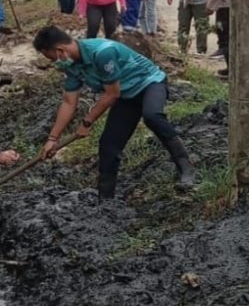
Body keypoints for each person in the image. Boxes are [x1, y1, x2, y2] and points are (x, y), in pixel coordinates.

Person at [29, 26, 197, 197]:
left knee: (152, 116)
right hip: (126, 96)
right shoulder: (71, 65)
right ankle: (105, 199)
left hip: (149, 84)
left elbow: (112, 94)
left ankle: (186, 166)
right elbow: (68, 102)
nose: (53, 63)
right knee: (109, 145)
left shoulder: (102, 52)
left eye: (51, 58)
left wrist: (87, 122)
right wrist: (53, 139)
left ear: (60, 51)